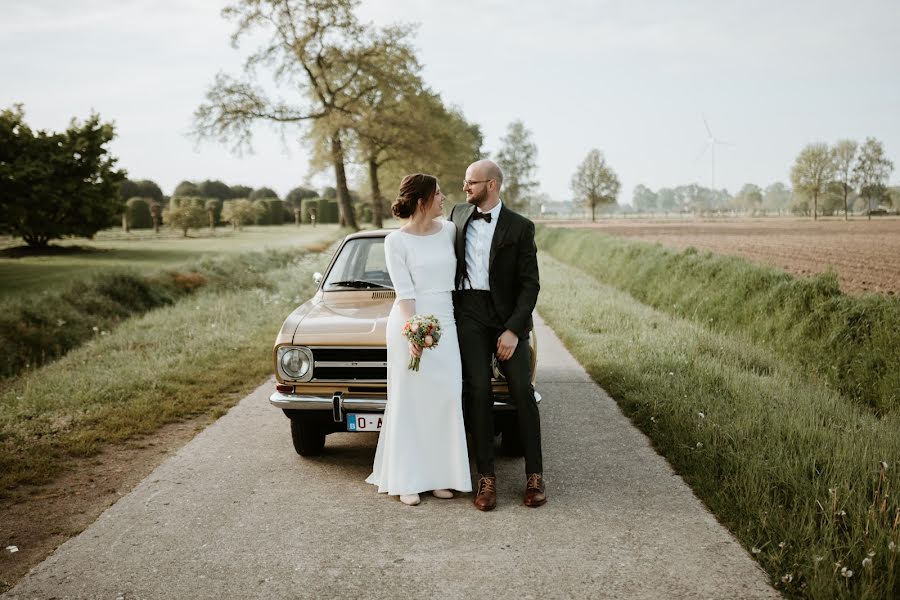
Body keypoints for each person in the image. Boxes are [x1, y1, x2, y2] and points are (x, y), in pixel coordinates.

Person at [366, 174, 472, 506]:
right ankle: (408, 479)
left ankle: (440, 476)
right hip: (411, 320)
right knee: (410, 401)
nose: (444, 198)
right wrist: (414, 333)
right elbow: (405, 293)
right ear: (423, 200)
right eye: (438, 194)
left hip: (446, 322)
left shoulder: (450, 232)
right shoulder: (395, 241)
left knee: (445, 397)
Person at [449, 159, 545, 511]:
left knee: (521, 388)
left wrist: (513, 330)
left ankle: (534, 476)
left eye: (471, 182)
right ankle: (485, 478)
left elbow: (530, 284)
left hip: (507, 316)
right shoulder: (457, 216)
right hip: (469, 313)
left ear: (491, 184)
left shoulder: (521, 227)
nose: (465, 188)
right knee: (478, 390)